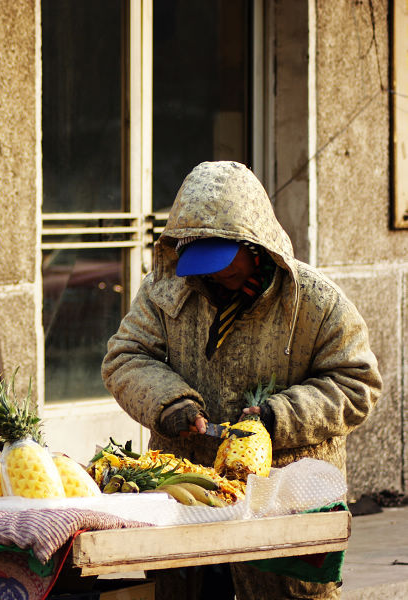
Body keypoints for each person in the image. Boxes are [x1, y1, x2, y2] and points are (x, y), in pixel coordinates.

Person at [101, 161, 382, 600]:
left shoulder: (316, 303)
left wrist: (277, 417)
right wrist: (169, 402)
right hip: (189, 500)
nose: (213, 275)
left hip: (282, 500)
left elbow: (356, 384)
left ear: (257, 246)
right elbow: (125, 357)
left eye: (223, 261)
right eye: (201, 261)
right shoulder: (166, 289)